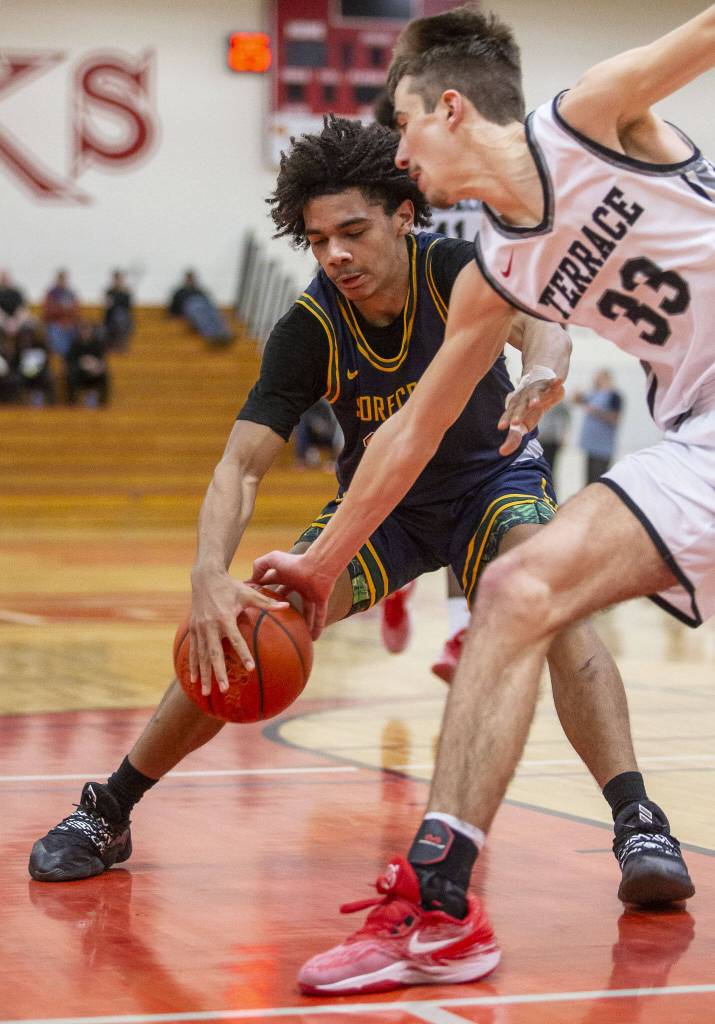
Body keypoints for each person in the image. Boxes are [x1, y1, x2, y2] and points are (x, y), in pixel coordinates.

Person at [29, 122, 681, 949]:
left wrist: (548, 368)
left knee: (549, 602)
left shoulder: (454, 269)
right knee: (248, 623)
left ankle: (637, 820)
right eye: (317, 239)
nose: (334, 253)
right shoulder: (309, 326)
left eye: (353, 230)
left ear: (404, 215)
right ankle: (108, 810)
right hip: (382, 511)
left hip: (491, 485)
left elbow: (540, 325)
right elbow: (241, 465)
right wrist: (205, 573)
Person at [251, 5, 712, 994]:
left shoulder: (590, 117)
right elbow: (412, 428)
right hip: (701, 439)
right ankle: (442, 904)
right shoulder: (500, 269)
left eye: (403, 128)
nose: (398, 152)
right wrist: (323, 562)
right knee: (516, 589)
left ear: (449, 107)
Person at [574, 369, 623, 484]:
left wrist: (596, 412)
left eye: (598, 377)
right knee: (588, 481)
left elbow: (615, 419)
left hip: (603, 449)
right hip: (590, 446)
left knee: (598, 481)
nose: (595, 380)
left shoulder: (614, 396)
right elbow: (576, 400)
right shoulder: (593, 394)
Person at [168, 269, 232, 344]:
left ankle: (224, 332)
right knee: (198, 310)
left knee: (213, 311)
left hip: (204, 304)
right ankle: (211, 335)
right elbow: (174, 306)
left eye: (191, 279)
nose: (190, 280)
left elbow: (208, 301)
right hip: (190, 305)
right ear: (185, 280)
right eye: (189, 279)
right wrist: (173, 315)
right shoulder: (180, 291)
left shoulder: (200, 290)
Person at [65, 321, 110, 407]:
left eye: (87, 331)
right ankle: (72, 403)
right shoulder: (75, 344)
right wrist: (82, 363)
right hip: (79, 373)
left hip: (94, 372)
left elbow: (101, 360)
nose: (85, 333)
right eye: (83, 331)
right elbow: (70, 360)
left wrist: (96, 365)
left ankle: (103, 403)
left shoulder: (96, 344)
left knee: (104, 375)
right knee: (71, 375)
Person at [43, 270, 80, 358]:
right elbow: (49, 311)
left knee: (78, 333)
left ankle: (72, 357)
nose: (62, 281)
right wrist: (63, 308)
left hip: (69, 323)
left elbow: (75, 310)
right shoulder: (51, 294)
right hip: (55, 323)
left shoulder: (71, 293)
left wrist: (65, 312)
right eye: (61, 279)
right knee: (55, 333)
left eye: (64, 279)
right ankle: (61, 358)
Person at [537, 400, 571, 480]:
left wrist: (563, 436)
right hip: (538, 439)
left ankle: (549, 489)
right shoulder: (535, 399)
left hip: (552, 440)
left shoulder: (558, 401)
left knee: (549, 468)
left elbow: (566, 417)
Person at [103, 270, 134, 351]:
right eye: (117, 279)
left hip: (124, 319)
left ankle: (119, 343)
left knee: (120, 315)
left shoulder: (126, 292)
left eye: (120, 279)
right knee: (118, 315)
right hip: (111, 318)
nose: (118, 281)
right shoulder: (109, 292)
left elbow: (128, 307)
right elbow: (108, 307)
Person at [0, 270, 31, 340]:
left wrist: (16, 321)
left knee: (27, 322)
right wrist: (5, 320)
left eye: (6, 278)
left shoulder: (16, 292)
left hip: (16, 319)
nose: (4, 280)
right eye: (2, 278)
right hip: (3, 319)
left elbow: (21, 307)